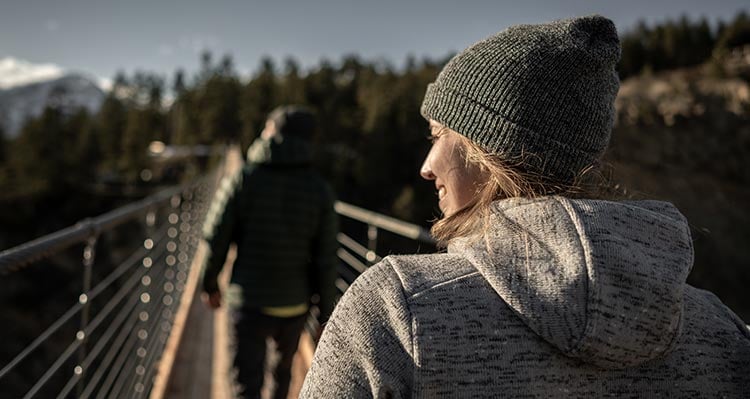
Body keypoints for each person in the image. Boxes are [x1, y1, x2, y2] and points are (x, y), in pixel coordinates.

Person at [300, 15, 750, 397]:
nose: (426, 166)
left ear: (489, 152)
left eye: (438, 136)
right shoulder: (723, 335)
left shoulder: (394, 311)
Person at [202, 105, 338, 399]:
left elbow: (215, 237)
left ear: (272, 133)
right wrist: (326, 314)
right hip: (294, 305)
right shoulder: (320, 190)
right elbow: (326, 260)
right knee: (282, 374)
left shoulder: (243, 179)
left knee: (245, 384)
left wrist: (209, 283)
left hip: (248, 302)